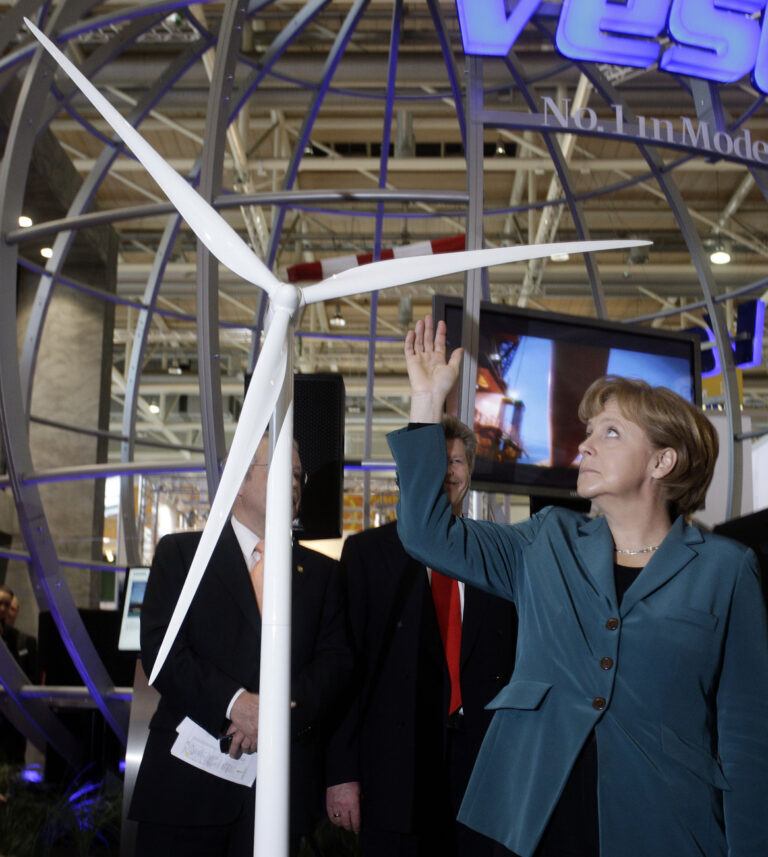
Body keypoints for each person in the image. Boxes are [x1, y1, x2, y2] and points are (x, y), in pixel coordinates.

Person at [385, 315, 768, 857]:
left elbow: (749, 734)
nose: (584, 445)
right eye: (588, 432)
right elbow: (426, 533)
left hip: (664, 822)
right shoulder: (546, 540)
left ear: (662, 460)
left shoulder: (727, 570)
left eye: (610, 432)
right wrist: (426, 408)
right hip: (535, 816)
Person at [129, 435, 353, 857]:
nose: (294, 484)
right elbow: (162, 650)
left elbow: (336, 664)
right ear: (240, 480)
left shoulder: (323, 575)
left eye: (299, 475)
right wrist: (234, 705)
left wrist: (272, 714)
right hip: (184, 791)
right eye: (281, 471)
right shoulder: (182, 555)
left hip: (277, 793)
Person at [326, 414, 517, 857]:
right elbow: (345, 670)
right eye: (435, 460)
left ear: (469, 472)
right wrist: (342, 773)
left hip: (484, 774)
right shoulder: (367, 555)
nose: (447, 472)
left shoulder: (499, 552)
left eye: (456, 461)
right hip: (395, 771)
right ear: (406, 471)